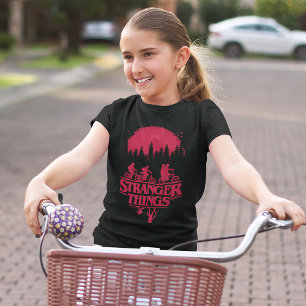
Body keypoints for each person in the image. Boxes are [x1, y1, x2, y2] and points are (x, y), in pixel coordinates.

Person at [24, 8, 305, 250]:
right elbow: (79, 158)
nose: (136, 67)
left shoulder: (203, 115)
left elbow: (234, 165)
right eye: (128, 57)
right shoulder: (116, 113)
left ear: (180, 57)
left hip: (176, 256)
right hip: (111, 251)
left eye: (148, 54)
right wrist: (41, 181)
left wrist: (265, 196)